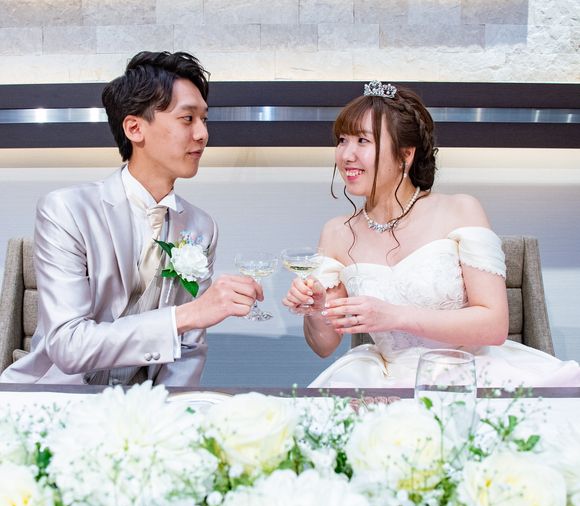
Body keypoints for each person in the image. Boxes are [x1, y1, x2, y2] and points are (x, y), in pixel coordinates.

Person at [283, 80, 580, 389]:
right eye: (342, 140)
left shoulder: (460, 210)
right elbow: (323, 346)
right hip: (386, 378)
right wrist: (315, 310)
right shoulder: (336, 232)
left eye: (362, 141)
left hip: (468, 371)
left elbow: (494, 326)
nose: (346, 154)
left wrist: (394, 316)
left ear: (405, 154)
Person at [1, 51, 262, 387]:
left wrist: (165, 411)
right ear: (135, 128)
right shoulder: (67, 210)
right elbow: (69, 346)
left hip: (143, 403)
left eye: (204, 119)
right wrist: (186, 315)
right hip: (59, 397)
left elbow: (188, 349)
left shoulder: (201, 227)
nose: (202, 134)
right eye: (187, 119)